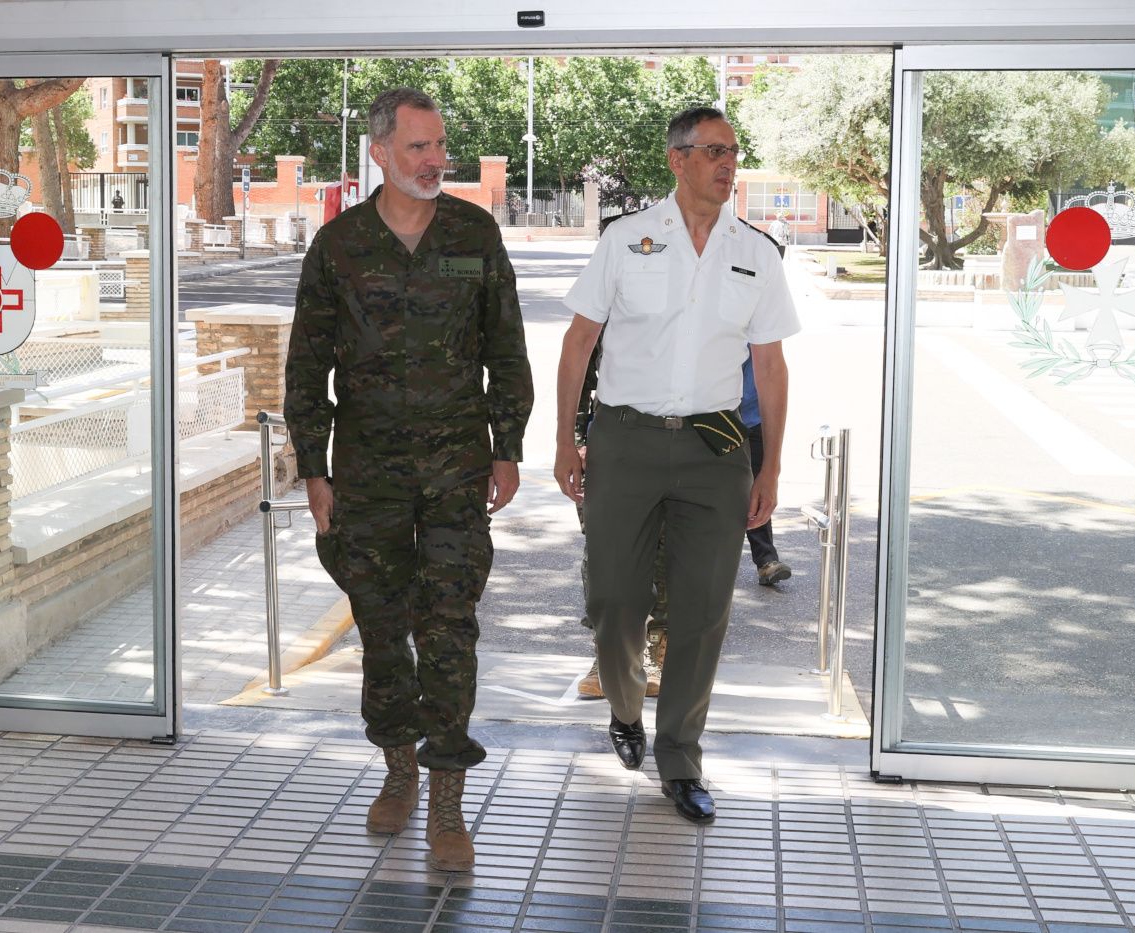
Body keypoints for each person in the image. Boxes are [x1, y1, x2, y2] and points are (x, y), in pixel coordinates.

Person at [284, 87, 533, 872]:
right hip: (367, 475)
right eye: (420, 147)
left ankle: (448, 798)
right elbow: (306, 366)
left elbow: (507, 346)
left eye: (440, 146)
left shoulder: (474, 234)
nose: (436, 160)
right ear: (381, 152)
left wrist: (507, 445)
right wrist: (315, 469)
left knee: (449, 627)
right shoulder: (339, 245)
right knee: (383, 625)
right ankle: (398, 768)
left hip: (459, 466)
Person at [554, 106, 799, 824]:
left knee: (702, 611)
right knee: (614, 601)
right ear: (678, 160)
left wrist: (772, 467)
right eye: (715, 151)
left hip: (714, 450)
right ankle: (626, 709)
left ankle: (681, 757)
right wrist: (567, 441)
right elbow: (577, 345)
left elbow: (773, 367)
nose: (728, 164)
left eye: (734, 152)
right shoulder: (627, 240)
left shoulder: (758, 252)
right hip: (624, 441)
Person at [574, 326, 668, 700]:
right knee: (602, 553)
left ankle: (658, 648)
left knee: (665, 548)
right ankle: (607, 652)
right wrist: (576, 440)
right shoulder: (613, 279)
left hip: (680, 437)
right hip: (612, 438)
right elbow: (580, 366)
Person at [740, 354, 792, 586]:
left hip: (752, 418)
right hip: (712, 420)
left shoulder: (761, 326)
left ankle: (766, 560)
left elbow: (772, 368)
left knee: (758, 491)